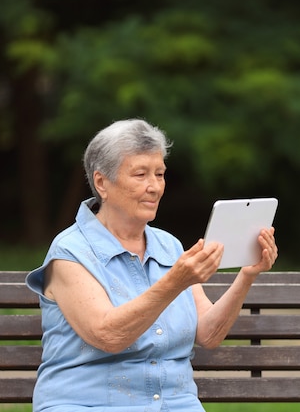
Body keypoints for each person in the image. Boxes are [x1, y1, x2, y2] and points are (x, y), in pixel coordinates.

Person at [25, 118, 278, 412]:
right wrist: (174, 282)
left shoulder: (168, 246)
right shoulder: (71, 252)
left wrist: (247, 275)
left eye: (160, 174)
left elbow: (209, 334)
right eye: (140, 174)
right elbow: (108, 335)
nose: (155, 187)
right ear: (101, 183)